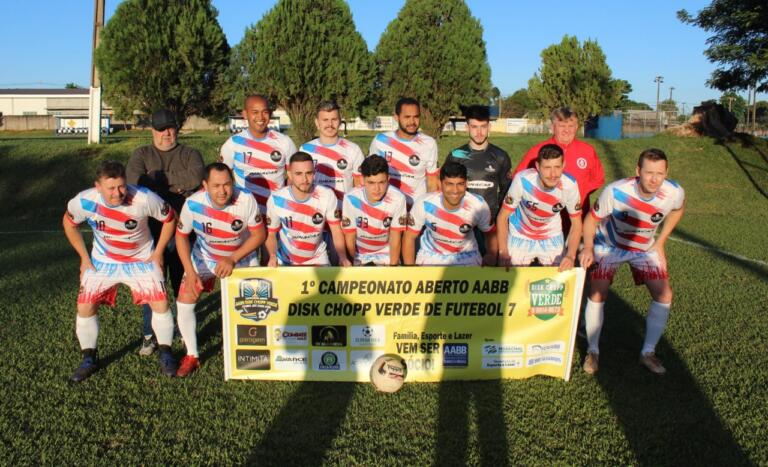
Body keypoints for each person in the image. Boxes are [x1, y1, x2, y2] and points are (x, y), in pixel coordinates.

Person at [63, 161, 178, 382]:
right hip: (102, 261)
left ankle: (166, 354)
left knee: (160, 303)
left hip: (141, 260)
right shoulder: (84, 200)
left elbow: (170, 219)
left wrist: (158, 253)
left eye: (122, 187)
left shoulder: (144, 198)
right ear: (98, 186)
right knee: (85, 305)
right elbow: (69, 223)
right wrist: (84, 258)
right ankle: (89, 358)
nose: (118, 193)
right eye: (111, 188)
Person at [579, 149, 685, 375]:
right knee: (598, 293)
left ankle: (648, 353)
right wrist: (588, 248)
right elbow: (591, 219)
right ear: (638, 171)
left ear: (666, 173)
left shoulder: (674, 191)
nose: (654, 179)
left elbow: (678, 210)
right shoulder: (616, 192)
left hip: (643, 249)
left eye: (660, 173)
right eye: (649, 173)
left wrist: (661, 242)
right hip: (609, 245)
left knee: (664, 295)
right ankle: (593, 351)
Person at [174, 163, 266, 377]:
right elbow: (181, 236)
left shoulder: (245, 199)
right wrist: (189, 270)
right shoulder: (192, 203)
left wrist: (233, 259)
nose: (222, 191)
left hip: (241, 255)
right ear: (204, 185)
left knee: (252, 306)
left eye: (227, 185)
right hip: (204, 255)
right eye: (216, 186)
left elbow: (259, 235)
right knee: (185, 300)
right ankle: (192, 355)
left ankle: (243, 347)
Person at [126, 108, 204, 357]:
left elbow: (195, 177)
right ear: (152, 131)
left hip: (184, 230)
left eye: (171, 128)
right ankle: (150, 336)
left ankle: (183, 330)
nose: (167, 133)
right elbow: (134, 182)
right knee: (153, 285)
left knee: (182, 283)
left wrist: (157, 181)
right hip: (151, 231)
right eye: (161, 129)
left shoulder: (190, 153)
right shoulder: (142, 154)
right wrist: (177, 187)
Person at [513, 107, 604, 230]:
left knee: (574, 248)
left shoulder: (587, 150)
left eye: (571, 126)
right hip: (545, 221)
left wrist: (580, 193)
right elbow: (518, 179)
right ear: (552, 127)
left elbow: (598, 179)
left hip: (576, 219)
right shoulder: (538, 151)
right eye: (561, 125)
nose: (567, 130)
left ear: (577, 127)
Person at [497, 144, 582, 272]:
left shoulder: (570, 185)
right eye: (547, 168)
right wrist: (503, 251)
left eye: (557, 167)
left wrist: (570, 255)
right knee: (510, 279)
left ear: (563, 165)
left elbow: (576, 224)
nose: (553, 174)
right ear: (537, 166)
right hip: (520, 234)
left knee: (559, 281)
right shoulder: (522, 180)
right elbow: (502, 217)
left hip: (551, 234)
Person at [300, 101, 365, 265]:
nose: (330, 124)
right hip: (314, 221)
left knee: (344, 268)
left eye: (334, 119)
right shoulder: (305, 149)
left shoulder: (352, 149)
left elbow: (360, 187)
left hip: (343, 221)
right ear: (317, 122)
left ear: (340, 120)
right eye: (325, 120)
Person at [445, 104, 512, 257]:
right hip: (463, 221)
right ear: (467, 127)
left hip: (491, 222)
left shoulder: (500, 156)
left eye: (483, 126)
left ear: (489, 127)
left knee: (491, 267)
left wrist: (499, 219)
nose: (479, 132)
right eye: (474, 127)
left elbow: (505, 191)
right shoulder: (456, 155)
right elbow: (446, 189)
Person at [403, 162, 497, 266]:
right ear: (441, 183)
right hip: (430, 256)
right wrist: (409, 269)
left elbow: (490, 233)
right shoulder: (424, 203)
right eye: (449, 184)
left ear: (466, 183)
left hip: (467, 257)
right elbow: (409, 237)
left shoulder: (478, 204)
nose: (455, 191)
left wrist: (491, 255)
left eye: (460, 184)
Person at [265, 152, 350, 266]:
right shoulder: (276, 199)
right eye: (298, 174)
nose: (305, 179)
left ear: (314, 173)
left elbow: (336, 231)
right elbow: (271, 235)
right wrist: (272, 256)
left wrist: (343, 257)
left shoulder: (326, 195)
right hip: (286, 261)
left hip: (318, 259)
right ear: (289, 174)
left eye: (309, 173)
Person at [220, 94, 297, 213]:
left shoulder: (285, 142)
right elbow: (222, 179)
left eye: (265, 112)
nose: (260, 117)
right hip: (245, 212)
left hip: (277, 210)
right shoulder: (232, 144)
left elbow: (294, 176)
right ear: (245, 114)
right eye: (255, 112)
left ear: (270, 114)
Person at [369, 97, 439, 208]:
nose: (412, 122)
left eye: (416, 117)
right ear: (396, 117)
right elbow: (370, 176)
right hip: (386, 207)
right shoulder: (380, 140)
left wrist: (428, 209)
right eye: (407, 117)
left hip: (415, 209)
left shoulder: (429, 143)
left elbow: (432, 181)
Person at [341, 156, 407, 265]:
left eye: (381, 182)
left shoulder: (398, 198)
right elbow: (350, 236)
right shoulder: (350, 198)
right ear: (362, 180)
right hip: (359, 255)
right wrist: (352, 265)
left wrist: (393, 265)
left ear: (388, 179)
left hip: (386, 253)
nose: (377, 189)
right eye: (371, 183)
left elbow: (395, 236)